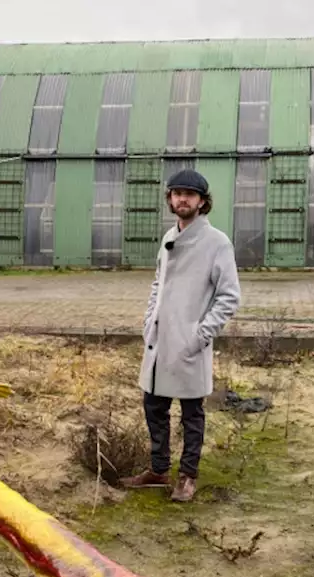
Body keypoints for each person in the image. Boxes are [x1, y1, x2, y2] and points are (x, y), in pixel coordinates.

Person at [120, 169, 241, 503]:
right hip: (159, 341)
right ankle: (158, 470)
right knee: (153, 405)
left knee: (191, 414)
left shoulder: (217, 242)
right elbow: (158, 283)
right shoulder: (167, 237)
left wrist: (200, 335)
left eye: (190, 193)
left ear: (202, 201)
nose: (182, 199)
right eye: (177, 193)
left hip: (188, 342)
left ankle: (187, 476)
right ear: (170, 199)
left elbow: (229, 296)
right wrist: (149, 320)